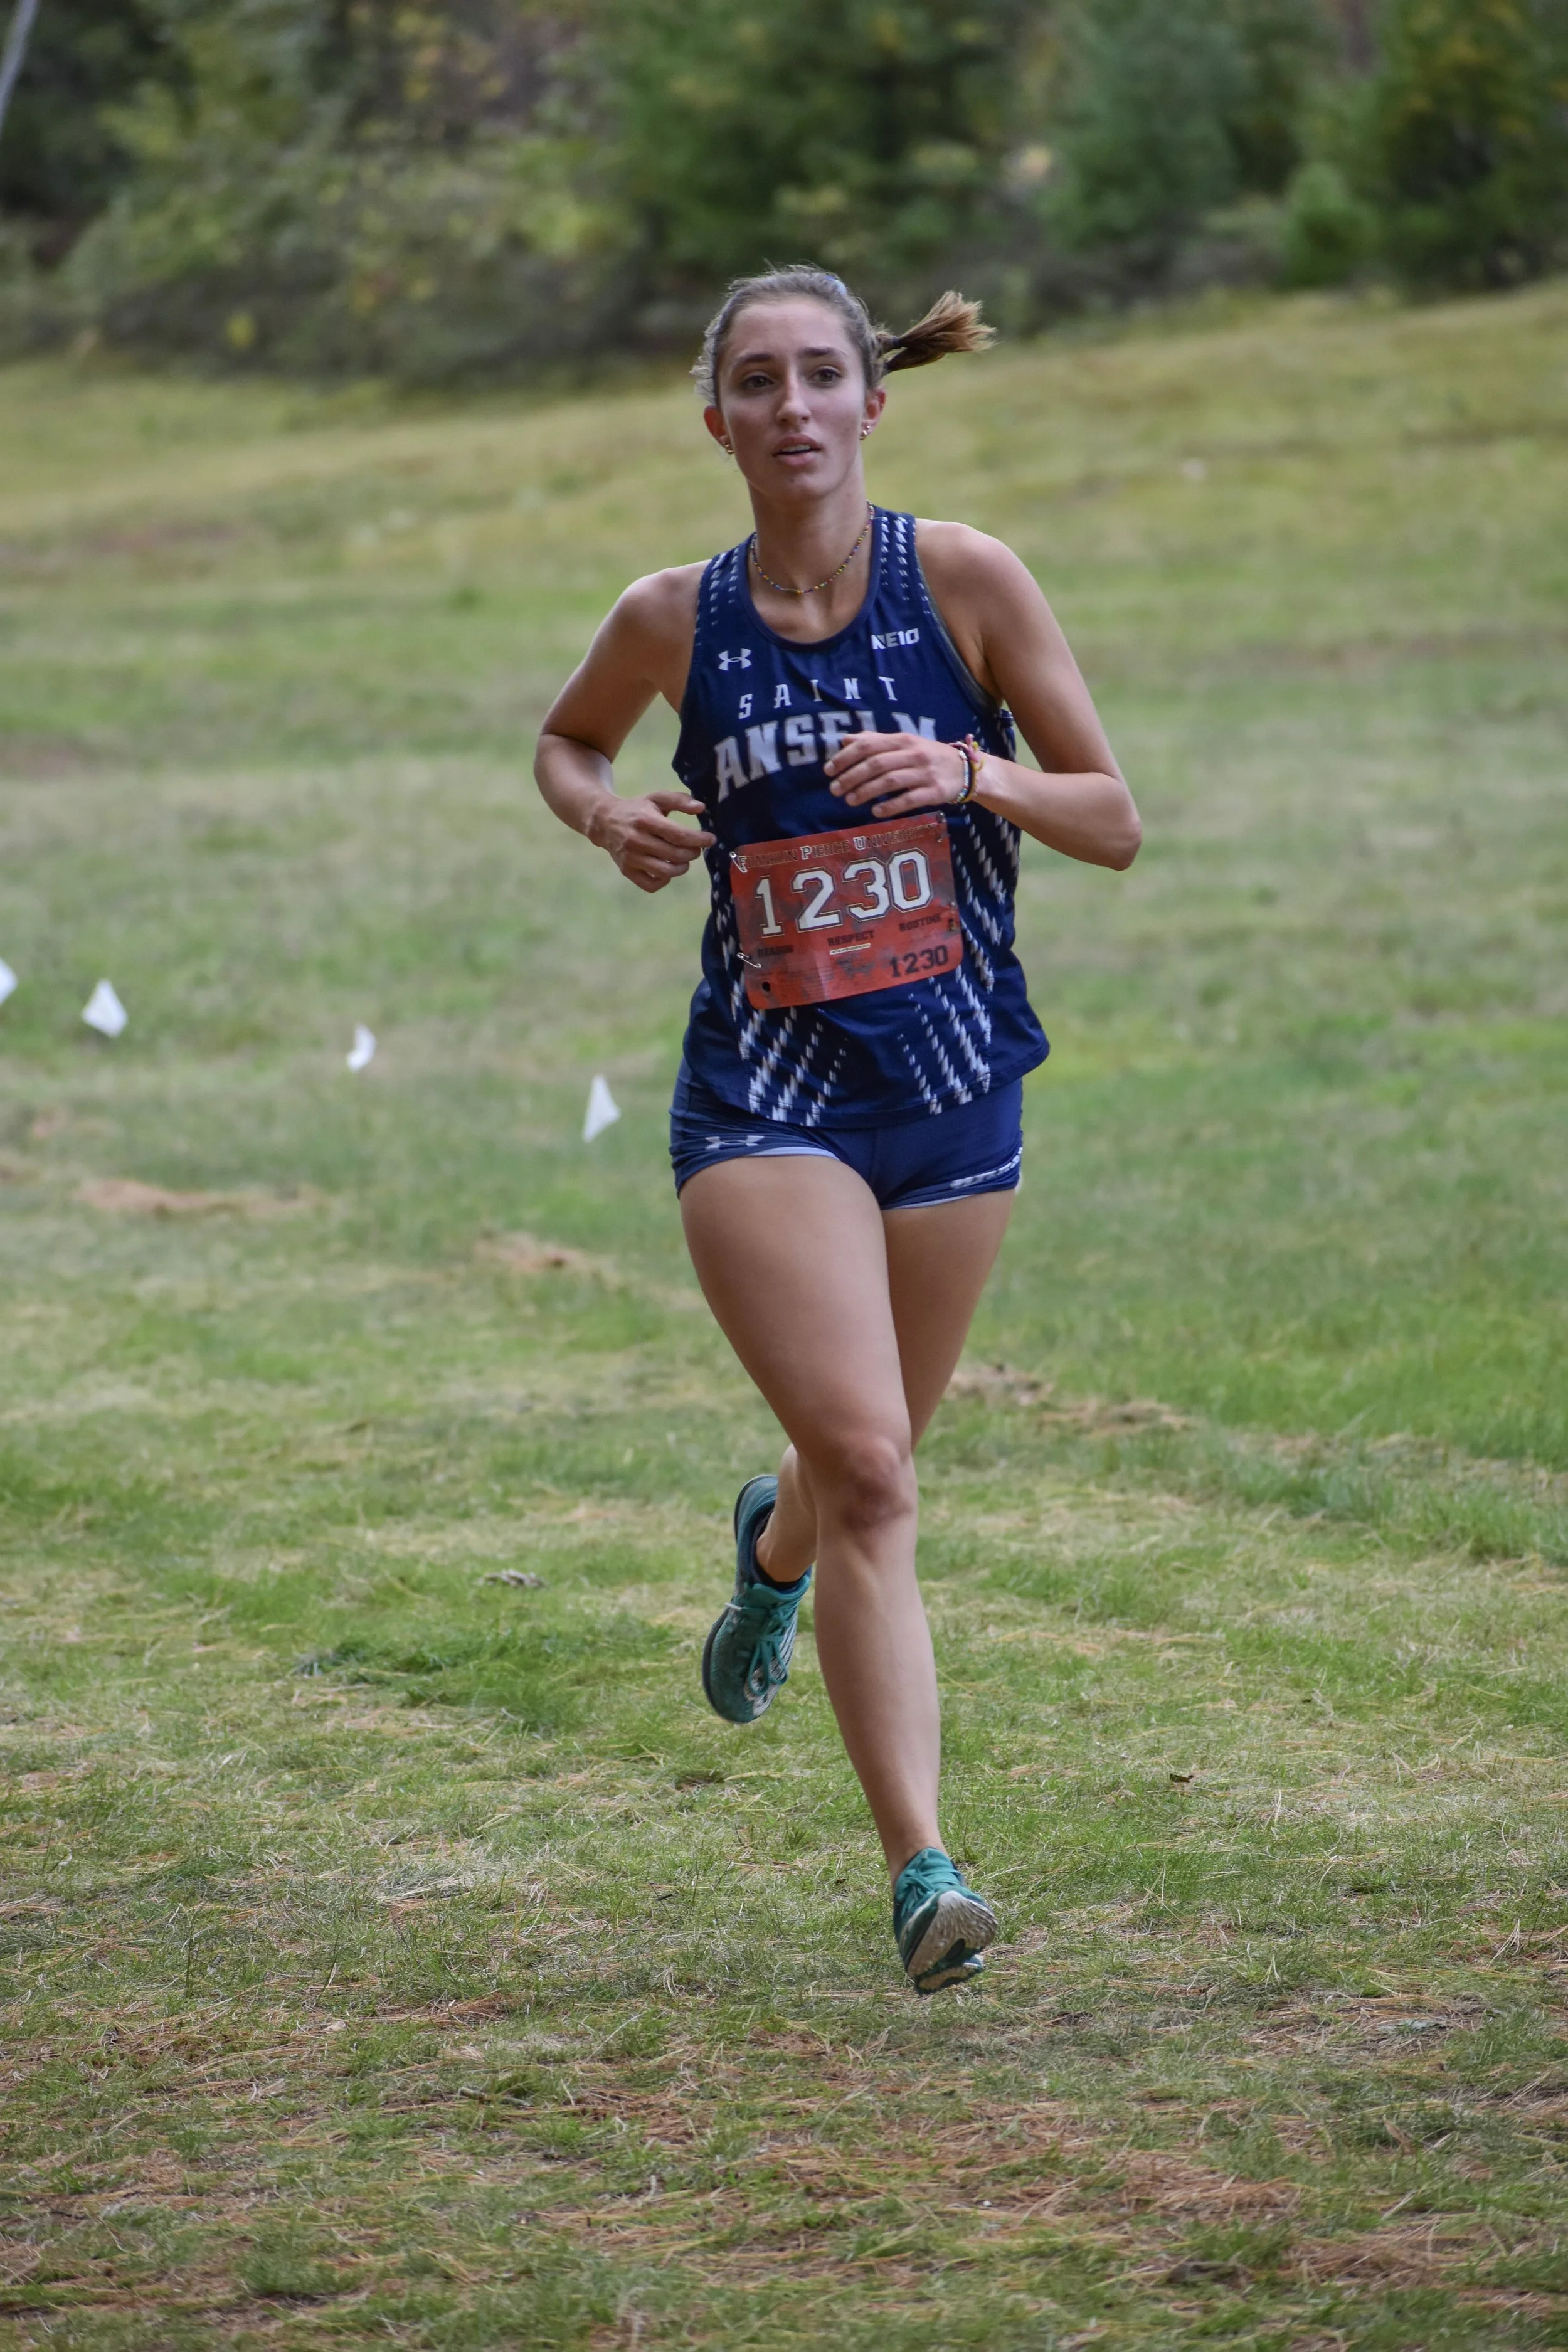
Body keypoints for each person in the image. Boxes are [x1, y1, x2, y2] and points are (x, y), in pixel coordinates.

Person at [534, 266, 1140, 1994]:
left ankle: (768, 1552)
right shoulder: (673, 617)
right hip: (764, 1092)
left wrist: (974, 774)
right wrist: (608, 822)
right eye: (756, 380)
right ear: (714, 415)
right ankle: (923, 1871)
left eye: (821, 375)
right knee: (876, 1463)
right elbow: (568, 743)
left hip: (954, 1083)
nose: (791, 406)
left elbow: (1110, 815)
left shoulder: (962, 580)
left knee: (847, 1463)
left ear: (872, 402)